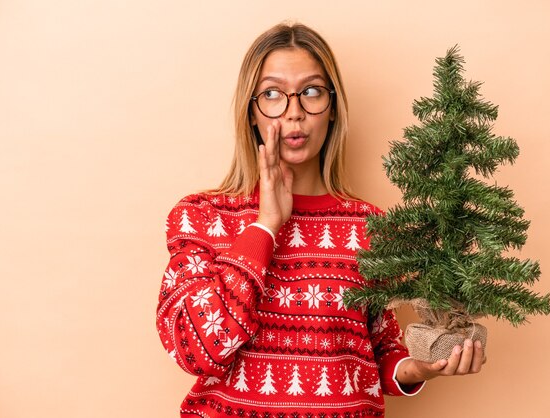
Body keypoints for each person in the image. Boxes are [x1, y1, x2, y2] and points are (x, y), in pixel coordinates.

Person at [156, 22, 484, 418]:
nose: (294, 113)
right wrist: (264, 226)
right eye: (273, 95)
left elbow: (379, 347)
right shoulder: (200, 218)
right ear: (251, 112)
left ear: (331, 110)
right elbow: (196, 350)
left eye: (311, 92)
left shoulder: (372, 226)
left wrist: (413, 370)